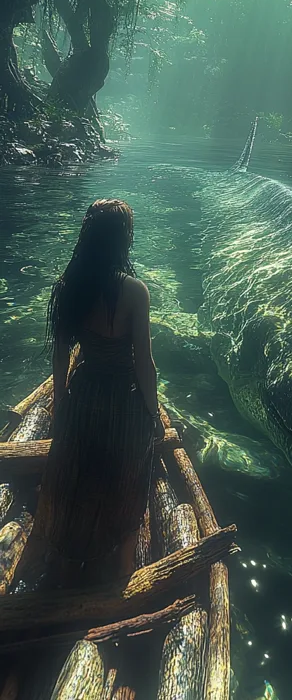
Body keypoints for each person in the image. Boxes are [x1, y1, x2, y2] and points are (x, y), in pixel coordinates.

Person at [33, 198, 163, 582]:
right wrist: (154, 417)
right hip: (122, 399)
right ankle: (123, 570)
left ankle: (61, 559)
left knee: (77, 474)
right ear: (123, 240)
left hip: (85, 394)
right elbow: (144, 364)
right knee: (130, 475)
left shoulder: (69, 287)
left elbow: (60, 353)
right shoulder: (135, 292)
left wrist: (61, 403)